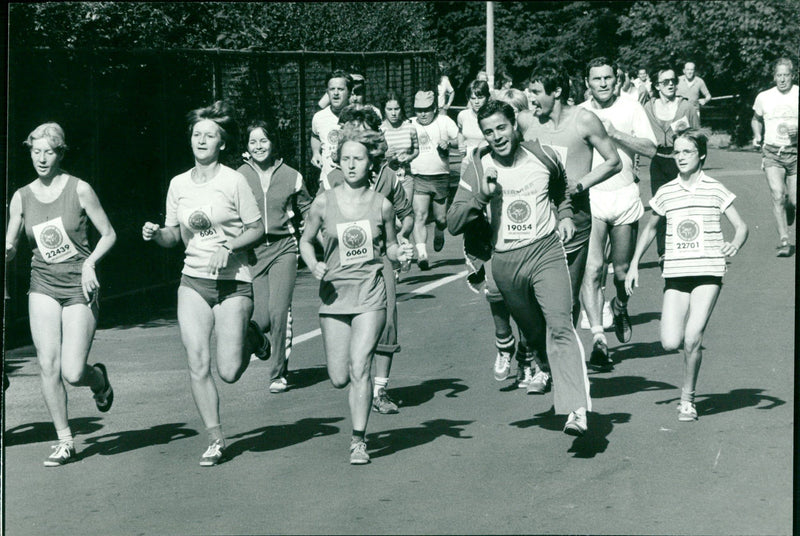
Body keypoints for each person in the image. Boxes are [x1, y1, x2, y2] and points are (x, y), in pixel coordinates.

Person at [448, 100, 592, 436]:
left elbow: (560, 188)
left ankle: (576, 409)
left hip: (545, 253)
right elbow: (453, 222)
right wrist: (482, 197)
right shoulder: (477, 163)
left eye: (501, 127)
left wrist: (566, 215)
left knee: (560, 325)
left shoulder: (544, 155)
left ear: (515, 125)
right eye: (488, 132)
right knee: (536, 335)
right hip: (506, 263)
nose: (496, 136)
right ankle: (537, 358)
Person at [142, 101, 265, 466]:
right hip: (193, 281)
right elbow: (174, 236)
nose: (201, 140)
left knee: (228, 372)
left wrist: (229, 246)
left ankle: (252, 336)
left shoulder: (234, 180)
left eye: (209, 135)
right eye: (197, 134)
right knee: (198, 362)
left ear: (222, 142)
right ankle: (215, 438)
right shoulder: (178, 184)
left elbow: (257, 229)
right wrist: (156, 233)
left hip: (233, 282)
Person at [5, 122, 117, 467]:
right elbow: (11, 241)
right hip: (43, 285)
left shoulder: (79, 189)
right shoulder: (21, 196)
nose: (41, 158)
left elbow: (109, 234)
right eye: (35, 151)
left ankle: (98, 379)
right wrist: (8, 249)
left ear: (60, 153)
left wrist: (90, 264)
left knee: (72, 371)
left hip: (79, 285)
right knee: (47, 364)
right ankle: (65, 440)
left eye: (48, 151)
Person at [299, 127, 413, 464]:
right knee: (339, 377)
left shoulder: (383, 205)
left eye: (358, 159)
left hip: (370, 291)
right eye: (345, 158)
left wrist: (400, 252)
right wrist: (314, 264)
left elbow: (390, 246)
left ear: (370, 163)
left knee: (360, 364)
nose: (350, 165)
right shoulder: (324, 201)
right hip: (334, 294)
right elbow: (305, 240)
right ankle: (356, 414)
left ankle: (358, 440)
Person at [626, 130, 748, 422]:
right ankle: (687, 386)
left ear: (701, 155)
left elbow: (741, 226)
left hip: (708, 271)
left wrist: (734, 242)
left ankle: (688, 399)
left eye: (687, 152)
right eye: (677, 152)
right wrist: (633, 264)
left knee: (693, 337)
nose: (680, 157)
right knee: (670, 342)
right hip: (677, 274)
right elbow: (651, 228)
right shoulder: (667, 191)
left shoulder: (715, 188)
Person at [517, 65, 621, 381]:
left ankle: (553, 362)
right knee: (529, 292)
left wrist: (580, 184)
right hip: (536, 217)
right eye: (529, 92)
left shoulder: (584, 119)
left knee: (566, 295)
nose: (530, 99)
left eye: (536, 92)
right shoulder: (527, 123)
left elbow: (613, 161)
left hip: (574, 218)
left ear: (557, 92)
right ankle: (533, 350)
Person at [323, 105, 415, 415]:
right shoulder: (335, 175)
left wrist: (401, 241)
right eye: (351, 127)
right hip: (343, 268)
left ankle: (380, 390)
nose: (357, 132)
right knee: (347, 351)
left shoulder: (388, 176)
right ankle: (356, 374)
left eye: (363, 127)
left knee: (387, 322)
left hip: (380, 261)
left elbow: (406, 213)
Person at [579, 57, 658, 370]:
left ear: (617, 79)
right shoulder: (581, 114)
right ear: (587, 82)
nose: (602, 83)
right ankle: (599, 340)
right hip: (593, 198)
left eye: (607, 78)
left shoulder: (631, 107)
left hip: (625, 196)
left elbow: (651, 149)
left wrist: (614, 134)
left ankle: (619, 305)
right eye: (596, 78)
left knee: (622, 272)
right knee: (594, 269)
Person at [237, 120, 313, 394]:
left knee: (280, 312)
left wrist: (311, 235)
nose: (258, 147)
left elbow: (308, 209)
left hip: (284, 248)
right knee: (260, 318)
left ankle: (278, 373)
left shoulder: (292, 175)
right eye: (252, 142)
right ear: (246, 146)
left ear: (273, 143)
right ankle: (260, 341)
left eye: (263, 141)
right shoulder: (239, 176)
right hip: (253, 252)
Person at [643, 67, 700, 265]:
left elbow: (698, 138)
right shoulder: (648, 107)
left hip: (681, 161)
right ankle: (663, 252)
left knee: (685, 206)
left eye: (673, 80)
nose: (670, 84)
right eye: (665, 81)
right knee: (660, 208)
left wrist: (697, 166)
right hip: (658, 160)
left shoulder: (687, 107)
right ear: (657, 85)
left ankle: (688, 248)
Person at [751, 57, 798, 257]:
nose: (782, 79)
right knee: (778, 195)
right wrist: (757, 135)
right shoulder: (764, 97)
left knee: (793, 201)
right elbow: (755, 119)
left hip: (795, 152)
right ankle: (784, 240)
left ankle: (790, 207)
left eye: (785, 75)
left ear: (792, 76)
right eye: (778, 75)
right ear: (774, 77)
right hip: (772, 152)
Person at [409, 90, 459, 270]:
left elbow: (459, 139)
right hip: (419, 176)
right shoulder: (410, 124)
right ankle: (422, 253)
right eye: (418, 110)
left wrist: (449, 143)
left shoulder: (445, 122)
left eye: (427, 110)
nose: (422, 114)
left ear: (434, 109)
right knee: (420, 215)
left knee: (441, 218)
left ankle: (439, 232)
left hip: (440, 177)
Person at [311, 70, 352, 188]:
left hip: (354, 181)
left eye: (340, 89)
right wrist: (315, 152)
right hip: (327, 181)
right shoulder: (319, 117)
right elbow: (315, 135)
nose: (336, 93)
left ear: (349, 92)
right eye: (332, 89)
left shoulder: (358, 116)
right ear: (327, 92)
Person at [380, 90, 419, 202]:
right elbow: (373, 156)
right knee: (387, 215)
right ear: (384, 110)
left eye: (396, 109)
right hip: (386, 178)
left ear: (401, 108)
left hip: (406, 177)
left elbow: (416, 150)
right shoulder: (380, 130)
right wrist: (385, 155)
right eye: (389, 109)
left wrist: (409, 157)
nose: (393, 113)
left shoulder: (410, 128)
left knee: (405, 215)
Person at [457, 80, 491, 178]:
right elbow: (460, 133)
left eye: (480, 98)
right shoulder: (463, 115)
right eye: (473, 98)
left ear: (487, 97)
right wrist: (461, 145)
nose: (476, 102)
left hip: (487, 163)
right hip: (467, 162)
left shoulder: (492, 117)